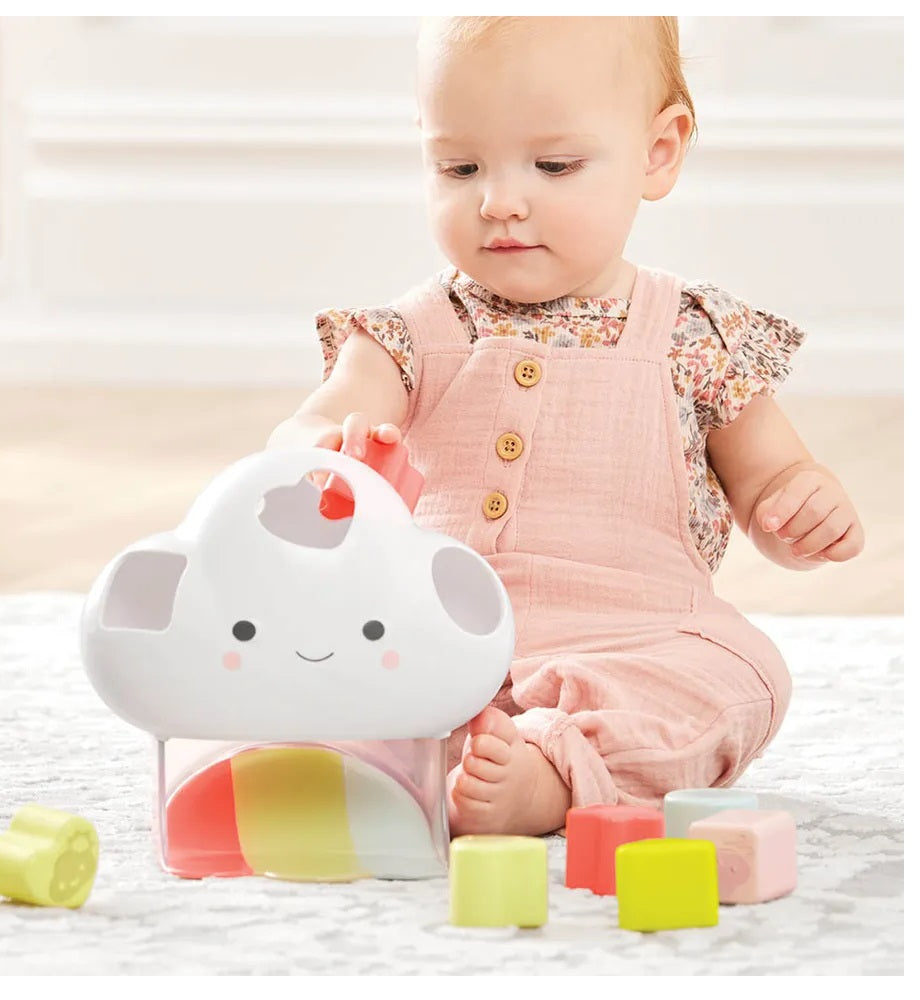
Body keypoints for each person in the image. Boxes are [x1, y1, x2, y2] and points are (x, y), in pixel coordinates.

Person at [266, 16, 864, 837]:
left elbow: (773, 477)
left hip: (637, 639)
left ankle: (551, 771)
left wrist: (800, 509)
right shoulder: (411, 334)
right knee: (307, 659)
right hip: (431, 636)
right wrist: (317, 454)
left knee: (743, 679)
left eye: (553, 166)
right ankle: (431, 755)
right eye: (460, 167)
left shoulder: (692, 335)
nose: (499, 201)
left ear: (658, 152)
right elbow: (319, 420)